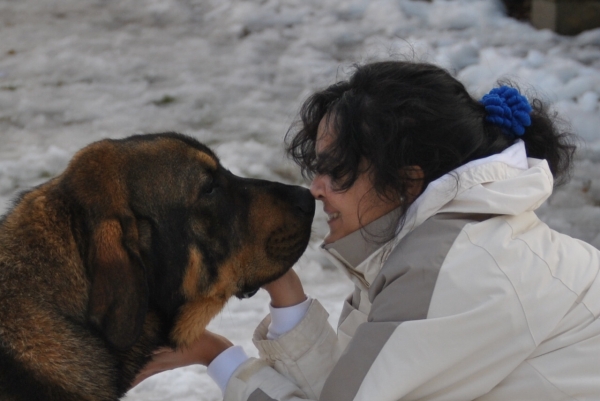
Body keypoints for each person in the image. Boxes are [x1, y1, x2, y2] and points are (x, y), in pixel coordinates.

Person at [133, 61, 600, 400]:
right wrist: (282, 283)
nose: (316, 189)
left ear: (408, 179)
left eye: (337, 170)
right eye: (317, 167)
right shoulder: (438, 242)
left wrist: (217, 355)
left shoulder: (458, 268)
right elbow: (347, 384)